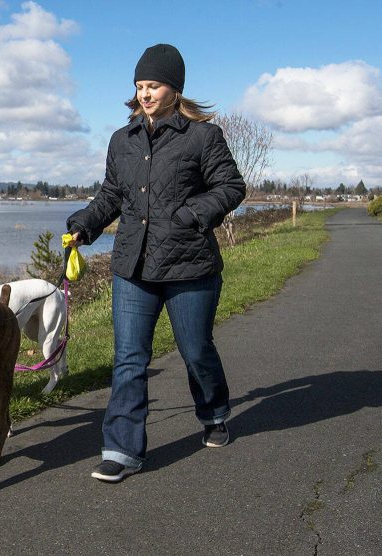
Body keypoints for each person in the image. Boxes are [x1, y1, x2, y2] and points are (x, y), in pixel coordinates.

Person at [66, 43, 246, 483]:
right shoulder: (121, 141)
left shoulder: (203, 137)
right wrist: (85, 224)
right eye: (139, 86)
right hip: (133, 267)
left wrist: (193, 214)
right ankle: (122, 450)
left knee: (196, 352)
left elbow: (231, 187)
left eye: (154, 85)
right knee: (128, 358)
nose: (145, 94)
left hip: (190, 267)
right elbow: (112, 195)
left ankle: (214, 412)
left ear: (175, 89)